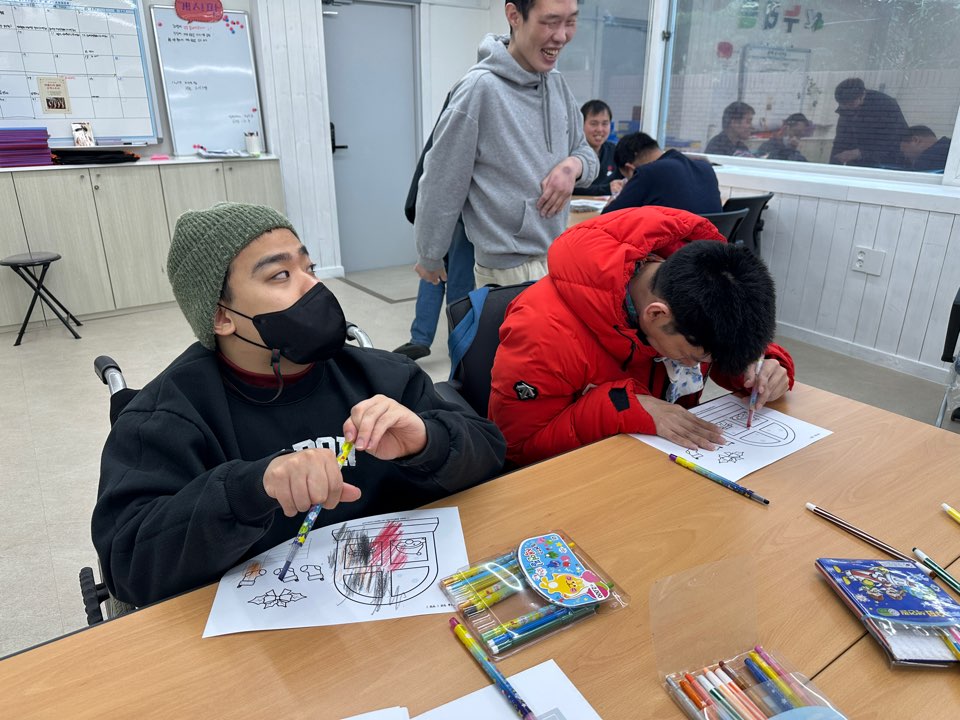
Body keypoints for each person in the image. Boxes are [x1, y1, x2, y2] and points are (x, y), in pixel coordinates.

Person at [92, 202, 506, 607]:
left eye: (310, 268)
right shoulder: (167, 416)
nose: (313, 287)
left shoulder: (383, 377)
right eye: (280, 275)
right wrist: (249, 490)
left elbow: (490, 453)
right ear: (221, 317)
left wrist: (428, 442)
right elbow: (128, 563)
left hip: (397, 594)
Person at [489, 206, 794, 467]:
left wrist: (760, 366)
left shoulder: (699, 294)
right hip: (591, 478)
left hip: (661, 464)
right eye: (693, 357)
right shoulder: (542, 332)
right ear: (656, 315)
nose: (697, 365)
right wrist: (624, 408)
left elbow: (721, 344)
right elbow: (518, 448)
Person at [415, 0, 598, 289]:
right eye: (550, 22)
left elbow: (586, 153)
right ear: (514, 15)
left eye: (571, 22)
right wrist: (430, 254)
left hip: (556, 256)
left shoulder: (557, 85)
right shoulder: (479, 89)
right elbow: (442, 181)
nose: (562, 36)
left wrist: (572, 167)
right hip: (506, 270)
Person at [393, 219, 475, 361]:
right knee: (459, 283)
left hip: (436, 219)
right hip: (464, 218)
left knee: (432, 273)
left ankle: (420, 339)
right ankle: (458, 342)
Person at [603, 132, 722, 215]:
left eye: (628, 178)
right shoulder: (705, 167)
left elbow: (607, 218)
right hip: (713, 242)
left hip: (676, 243)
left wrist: (614, 199)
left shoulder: (647, 172)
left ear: (630, 169)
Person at [830, 78, 907, 168]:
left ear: (862, 96)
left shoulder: (886, 106)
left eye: (851, 104)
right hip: (857, 162)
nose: (848, 108)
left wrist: (861, 152)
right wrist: (832, 166)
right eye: (843, 105)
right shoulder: (846, 109)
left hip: (887, 163)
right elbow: (841, 140)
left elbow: (894, 140)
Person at [573, 99, 622, 196]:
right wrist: (607, 189)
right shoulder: (572, 153)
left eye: (605, 124)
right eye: (593, 124)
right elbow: (571, 187)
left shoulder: (615, 151)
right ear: (581, 124)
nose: (600, 129)